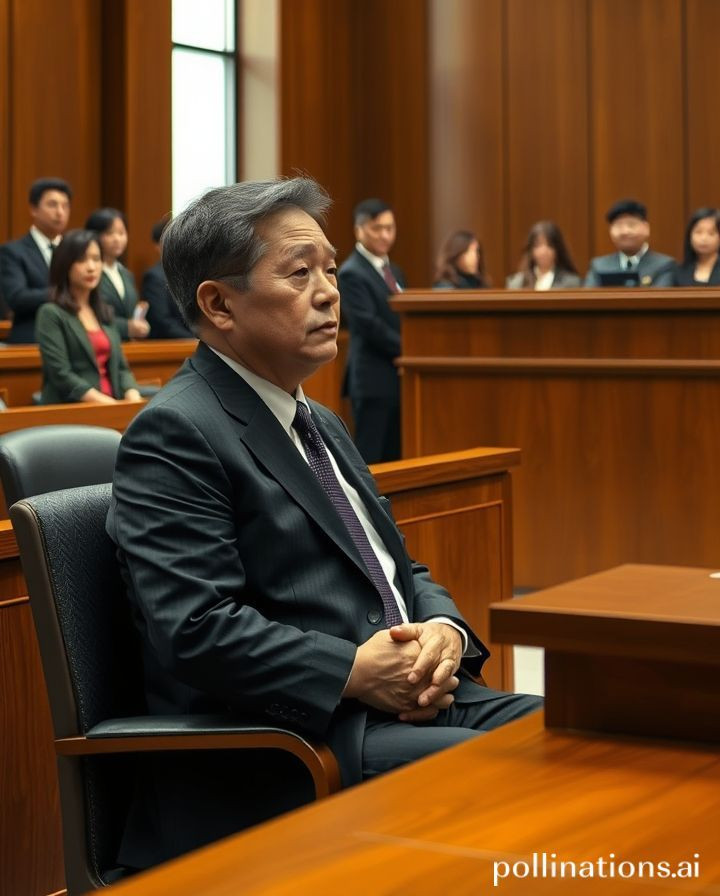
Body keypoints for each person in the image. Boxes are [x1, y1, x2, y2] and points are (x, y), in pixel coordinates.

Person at [106, 177, 541, 871]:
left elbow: (397, 568)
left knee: (593, 740)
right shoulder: (175, 432)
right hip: (291, 742)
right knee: (520, 776)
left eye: (331, 270)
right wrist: (354, 671)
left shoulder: (321, 421)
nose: (329, 292)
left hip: (402, 708)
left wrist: (443, 632)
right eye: (299, 272)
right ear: (218, 304)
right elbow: (195, 626)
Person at [35, 229, 141, 404]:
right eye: (81, 260)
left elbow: (121, 368)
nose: (91, 267)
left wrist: (132, 395)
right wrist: (107, 404)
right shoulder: (51, 313)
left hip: (112, 404)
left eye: (96, 259)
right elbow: (61, 374)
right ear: (65, 264)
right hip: (73, 409)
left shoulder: (104, 312)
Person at [338, 198, 404, 463]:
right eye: (378, 228)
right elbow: (368, 324)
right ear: (359, 230)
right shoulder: (351, 272)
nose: (385, 235)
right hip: (373, 380)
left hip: (398, 378)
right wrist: (409, 348)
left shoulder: (394, 270)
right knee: (371, 460)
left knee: (396, 459)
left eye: (390, 228)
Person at [0, 177, 72, 342]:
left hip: (71, 338)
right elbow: (17, 298)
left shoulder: (75, 251)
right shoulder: (12, 252)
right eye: (52, 205)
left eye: (65, 206)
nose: (60, 212)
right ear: (33, 209)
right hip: (32, 337)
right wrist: (63, 294)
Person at [85, 207, 150, 340]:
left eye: (121, 233)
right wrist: (127, 327)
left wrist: (140, 324)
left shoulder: (126, 274)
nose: (117, 239)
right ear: (95, 235)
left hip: (127, 345)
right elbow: (89, 314)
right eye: (109, 233)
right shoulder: (89, 272)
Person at [584, 199, 676, 287]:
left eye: (631, 225)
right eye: (619, 226)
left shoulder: (664, 265)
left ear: (646, 228)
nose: (625, 231)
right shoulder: (599, 266)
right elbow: (589, 296)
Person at [140, 218, 194, 339]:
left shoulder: (190, 272)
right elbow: (162, 321)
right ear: (158, 245)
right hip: (169, 343)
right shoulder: (154, 277)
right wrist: (192, 339)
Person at [506, 221, 581, 290]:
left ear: (557, 249)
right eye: (538, 245)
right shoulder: (516, 283)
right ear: (531, 249)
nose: (544, 251)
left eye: (549, 245)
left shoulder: (571, 283)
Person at [673, 207, 720, 286]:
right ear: (690, 235)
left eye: (711, 233)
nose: (704, 238)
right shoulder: (679, 270)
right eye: (698, 232)